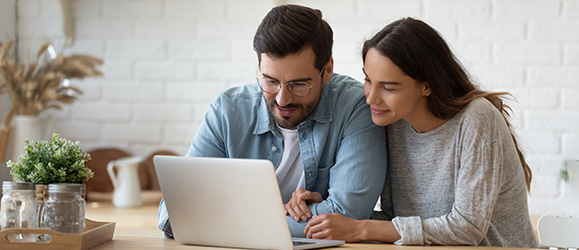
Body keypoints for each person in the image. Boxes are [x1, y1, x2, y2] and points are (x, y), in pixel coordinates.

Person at [297, 18, 538, 248]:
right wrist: (335, 215)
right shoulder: (393, 122)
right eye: (368, 80)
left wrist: (362, 229)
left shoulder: (476, 118)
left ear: (427, 85)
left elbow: (468, 227)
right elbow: (398, 221)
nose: (370, 98)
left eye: (388, 87)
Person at [157, 4, 387, 238]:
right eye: (270, 81)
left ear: (327, 70)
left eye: (299, 84)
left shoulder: (356, 107)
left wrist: (226, 220)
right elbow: (174, 213)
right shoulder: (227, 111)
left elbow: (348, 215)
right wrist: (285, 215)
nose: (282, 99)